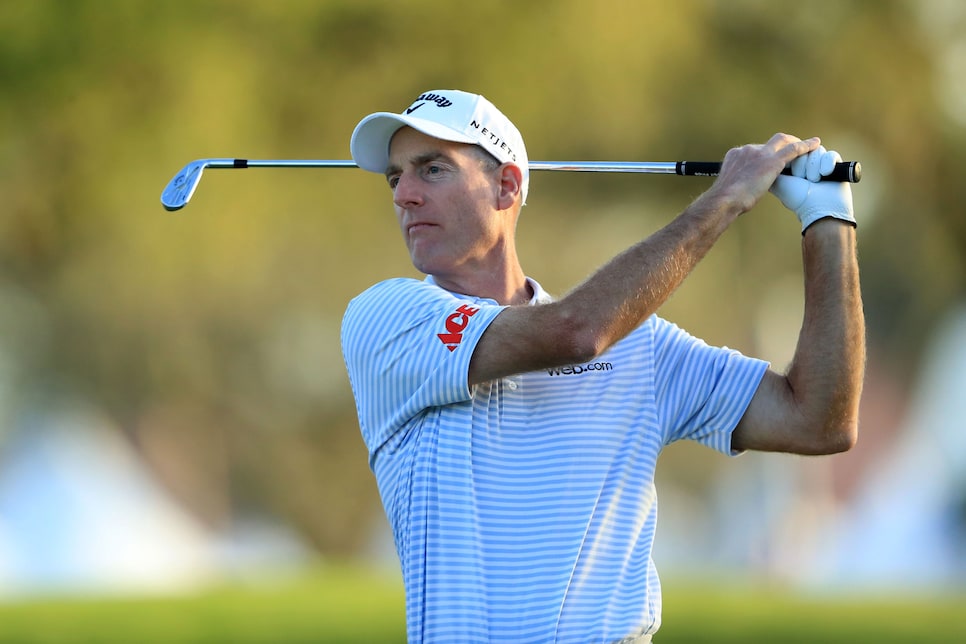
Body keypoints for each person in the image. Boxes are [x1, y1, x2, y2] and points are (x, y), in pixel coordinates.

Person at [341, 89, 864, 643]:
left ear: (507, 185)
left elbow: (819, 420)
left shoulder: (642, 347)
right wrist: (725, 199)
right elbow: (577, 332)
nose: (406, 196)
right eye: (396, 177)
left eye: (433, 169)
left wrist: (827, 220)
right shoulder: (385, 319)